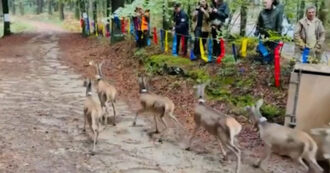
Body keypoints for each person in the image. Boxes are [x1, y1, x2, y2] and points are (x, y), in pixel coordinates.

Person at [255, 0, 283, 64]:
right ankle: (264, 59)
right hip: (263, 36)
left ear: (272, 2)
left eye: (266, 2)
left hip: (273, 36)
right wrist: (257, 31)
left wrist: (277, 38)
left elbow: (279, 26)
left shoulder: (277, 12)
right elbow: (259, 24)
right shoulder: (261, 12)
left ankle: (270, 61)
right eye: (263, 3)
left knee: (272, 56)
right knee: (263, 52)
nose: (264, 4)